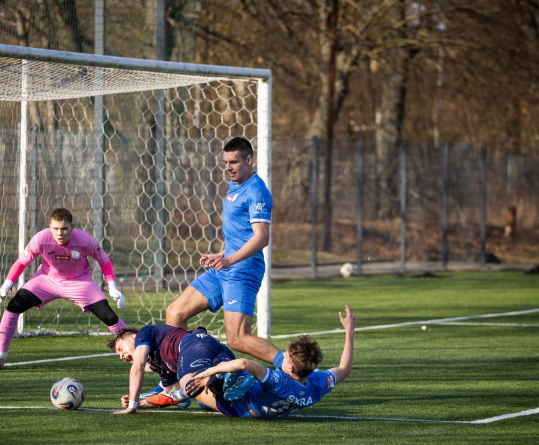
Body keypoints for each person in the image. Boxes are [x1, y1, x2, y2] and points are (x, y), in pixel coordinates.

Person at [165, 137, 280, 365]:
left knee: (237, 339)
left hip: (243, 270)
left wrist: (230, 260)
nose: (228, 167)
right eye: (226, 162)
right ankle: (181, 380)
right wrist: (221, 255)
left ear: (249, 160)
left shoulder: (256, 191)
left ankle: (294, 368)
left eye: (234, 162)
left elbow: (261, 237)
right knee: (175, 313)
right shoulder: (234, 185)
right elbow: (239, 232)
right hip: (224, 268)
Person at [0, 207, 127, 369]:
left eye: (64, 228)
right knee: (14, 306)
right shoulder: (40, 239)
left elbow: (104, 261)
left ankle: (139, 353)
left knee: (108, 316)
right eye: (56, 229)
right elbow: (22, 262)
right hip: (46, 280)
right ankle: (0, 357)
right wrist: (6, 286)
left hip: (79, 282)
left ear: (72, 227)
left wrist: (112, 287)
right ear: (49, 227)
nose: (60, 233)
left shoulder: (85, 241)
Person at [182, 305, 355, 419]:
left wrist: (208, 373)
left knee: (190, 384)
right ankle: (232, 379)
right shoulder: (317, 384)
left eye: (285, 356)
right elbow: (344, 369)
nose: (283, 355)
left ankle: (194, 388)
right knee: (227, 375)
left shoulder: (280, 382)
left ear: (292, 368)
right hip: (264, 405)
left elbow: (244, 363)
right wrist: (349, 330)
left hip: (239, 405)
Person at [108, 324, 235, 415]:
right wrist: (143, 403)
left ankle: (221, 375)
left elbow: (138, 366)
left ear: (133, 338)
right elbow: (176, 397)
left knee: (189, 385)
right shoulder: (159, 364)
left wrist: (132, 404)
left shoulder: (143, 333)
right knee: (202, 397)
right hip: (216, 348)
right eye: (119, 356)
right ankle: (235, 376)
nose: (121, 356)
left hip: (193, 343)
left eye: (120, 349)